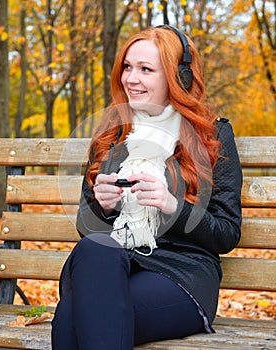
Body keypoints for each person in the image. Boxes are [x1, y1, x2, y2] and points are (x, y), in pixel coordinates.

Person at [51, 25, 242, 349]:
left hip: (181, 275)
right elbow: (87, 226)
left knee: (71, 319)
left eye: (145, 70)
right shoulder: (110, 136)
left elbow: (226, 232)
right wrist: (104, 207)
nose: (131, 78)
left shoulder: (212, 136)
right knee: (95, 246)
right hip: (110, 268)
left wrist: (172, 206)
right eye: (127, 67)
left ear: (176, 78)